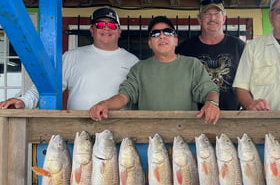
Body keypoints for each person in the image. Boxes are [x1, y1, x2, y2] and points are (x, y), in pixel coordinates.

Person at [0, 6, 139, 110]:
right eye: (100, 24)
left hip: (120, 136)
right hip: (79, 134)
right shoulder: (71, 56)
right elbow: (48, 86)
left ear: (119, 32)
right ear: (92, 30)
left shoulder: (133, 61)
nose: (106, 28)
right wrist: (23, 101)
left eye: (112, 25)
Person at [89, 16, 220, 124]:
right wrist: (105, 104)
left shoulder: (192, 65)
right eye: (155, 34)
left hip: (184, 137)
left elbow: (210, 90)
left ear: (175, 40)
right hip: (148, 138)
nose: (162, 36)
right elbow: (124, 96)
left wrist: (212, 103)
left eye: (168, 32)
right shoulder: (139, 69)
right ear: (150, 43)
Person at [176, 0, 245, 110]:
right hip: (194, 117)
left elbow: (249, 82)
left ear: (224, 19)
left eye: (217, 14)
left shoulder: (239, 46)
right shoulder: (184, 49)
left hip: (232, 117)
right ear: (199, 19)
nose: (212, 18)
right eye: (207, 14)